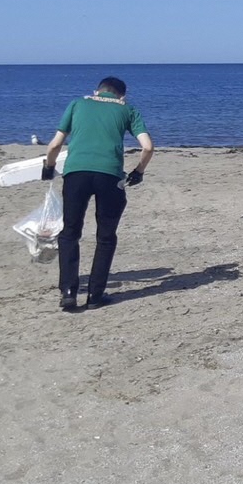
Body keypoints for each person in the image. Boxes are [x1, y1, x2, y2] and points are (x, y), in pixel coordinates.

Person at [42, 76, 154, 312]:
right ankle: (95, 295)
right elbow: (148, 147)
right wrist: (138, 172)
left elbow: (54, 145)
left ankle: (69, 292)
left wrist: (48, 168)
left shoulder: (77, 104)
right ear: (122, 96)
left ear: (97, 91)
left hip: (76, 174)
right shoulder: (128, 110)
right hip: (109, 176)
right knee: (106, 235)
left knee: (70, 232)